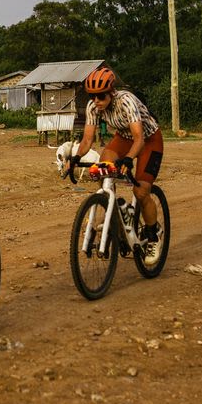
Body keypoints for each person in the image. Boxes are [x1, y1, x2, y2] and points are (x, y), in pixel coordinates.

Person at [68, 67, 164, 263]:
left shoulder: (126, 101)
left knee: (141, 191)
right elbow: (87, 140)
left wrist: (128, 159)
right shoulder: (93, 107)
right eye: (92, 96)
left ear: (111, 92)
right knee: (102, 169)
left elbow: (139, 139)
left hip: (148, 139)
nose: (97, 101)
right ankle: (114, 209)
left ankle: (153, 234)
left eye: (101, 96)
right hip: (123, 137)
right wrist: (75, 159)